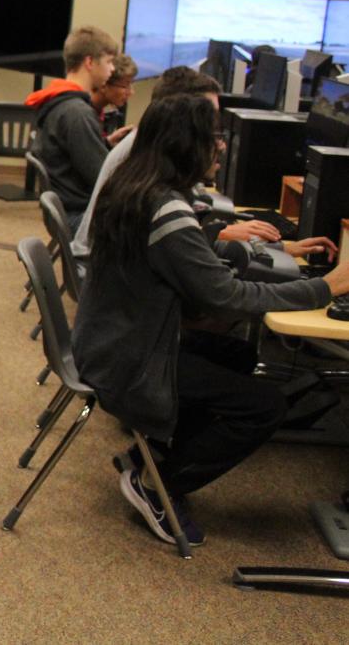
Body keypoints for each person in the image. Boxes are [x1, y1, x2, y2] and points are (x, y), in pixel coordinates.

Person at [72, 93, 348, 548]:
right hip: (129, 363)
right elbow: (225, 298)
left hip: (109, 344)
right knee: (263, 406)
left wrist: (278, 251)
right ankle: (160, 483)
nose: (220, 148)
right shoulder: (166, 207)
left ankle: (158, 449)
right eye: (214, 139)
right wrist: (327, 288)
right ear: (189, 145)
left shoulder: (136, 188)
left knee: (237, 353)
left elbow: (193, 251)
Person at [72, 66, 328, 260]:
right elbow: (174, 241)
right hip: (102, 267)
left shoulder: (151, 145)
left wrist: (274, 246)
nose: (213, 127)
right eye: (207, 115)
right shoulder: (144, 157)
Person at [26, 28, 130, 233]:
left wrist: (107, 145)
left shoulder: (61, 102)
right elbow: (105, 178)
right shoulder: (77, 113)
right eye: (109, 62)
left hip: (64, 210)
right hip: (78, 216)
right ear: (90, 62)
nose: (111, 70)